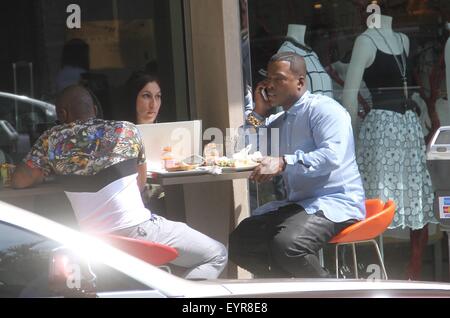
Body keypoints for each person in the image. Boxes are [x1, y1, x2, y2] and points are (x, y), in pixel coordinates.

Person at [11, 85, 227, 280]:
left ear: (62, 113)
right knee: (217, 254)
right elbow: (139, 184)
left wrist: (51, 168)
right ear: (94, 110)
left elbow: (20, 181)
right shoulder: (127, 130)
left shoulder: (52, 140)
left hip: (95, 241)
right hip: (139, 231)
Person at [229, 52, 365, 278]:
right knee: (240, 242)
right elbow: (242, 150)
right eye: (268, 79)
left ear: (300, 82)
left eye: (279, 79)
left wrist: (283, 163)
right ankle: (285, 289)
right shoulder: (280, 120)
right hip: (299, 205)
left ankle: (332, 294)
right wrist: (259, 112)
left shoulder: (325, 110)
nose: (271, 86)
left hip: (336, 202)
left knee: (288, 246)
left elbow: (333, 156)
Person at [342, 14, 437, 280]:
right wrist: (351, 138)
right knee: (379, 192)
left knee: (410, 192)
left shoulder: (403, 40)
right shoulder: (365, 41)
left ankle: (411, 269)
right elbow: (349, 95)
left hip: (408, 126)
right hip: (382, 127)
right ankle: (373, 268)